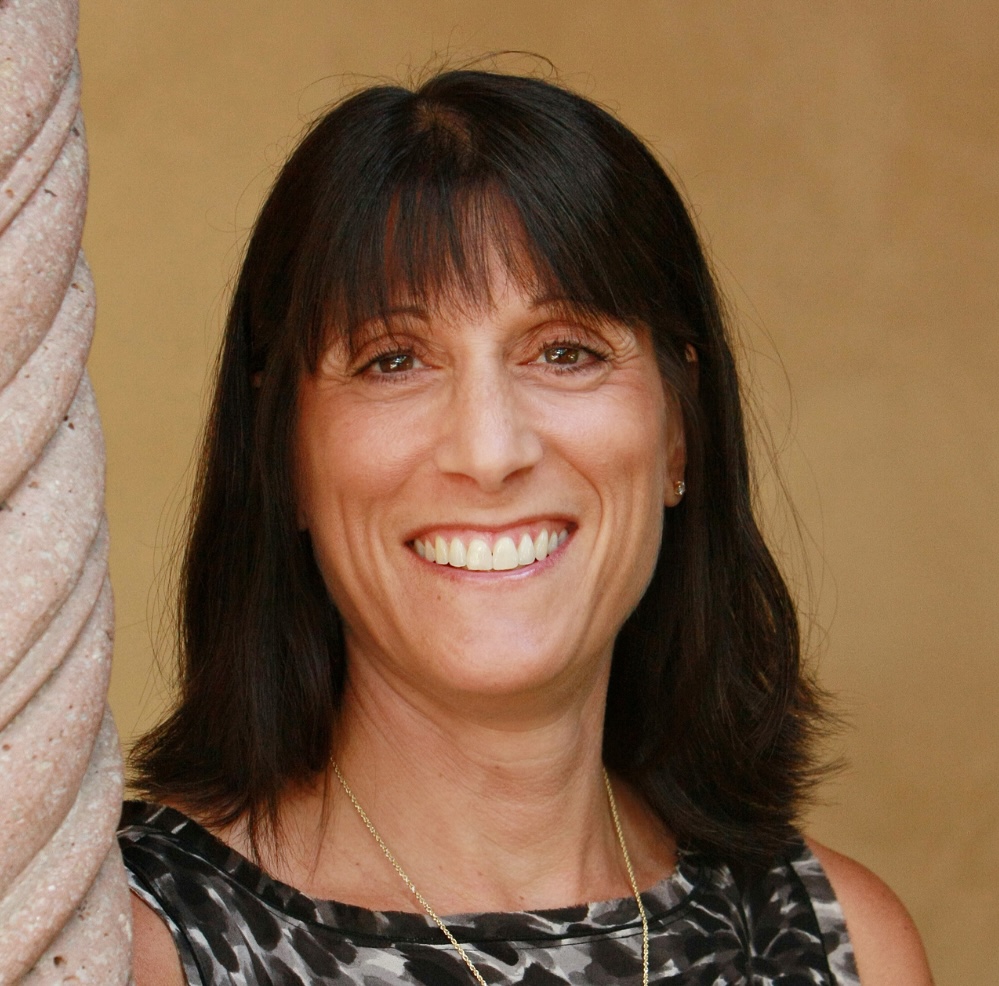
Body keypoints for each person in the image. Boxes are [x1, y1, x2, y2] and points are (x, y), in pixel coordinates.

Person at [119, 68, 933, 985]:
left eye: (565, 351)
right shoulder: (124, 947)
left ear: (678, 431)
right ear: (282, 457)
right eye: (393, 360)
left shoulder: (837, 946)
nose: (490, 449)